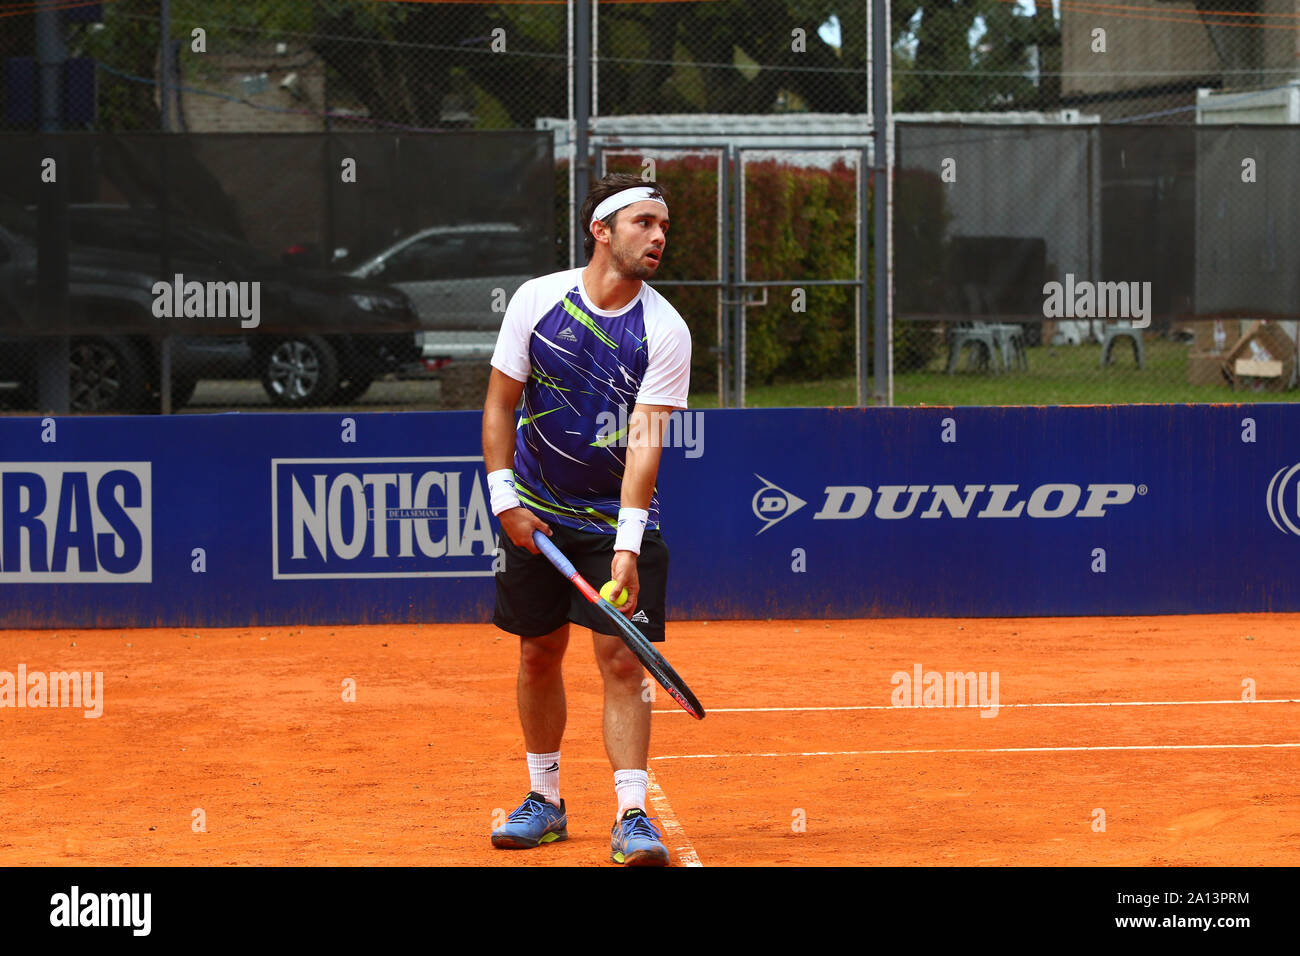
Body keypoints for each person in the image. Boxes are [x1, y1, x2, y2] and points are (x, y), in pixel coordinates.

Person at [481, 172, 690, 866]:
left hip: (615, 520)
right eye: (642, 223)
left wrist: (627, 544)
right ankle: (544, 802)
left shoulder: (665, 330)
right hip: (535, 509)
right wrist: (504, 500)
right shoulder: (538, 301)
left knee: (620, 661)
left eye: (662, 226)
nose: (657, 236)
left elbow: (645, 440)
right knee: (538, 651)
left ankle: (632, 814)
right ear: (601, 230)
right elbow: (500, 405)